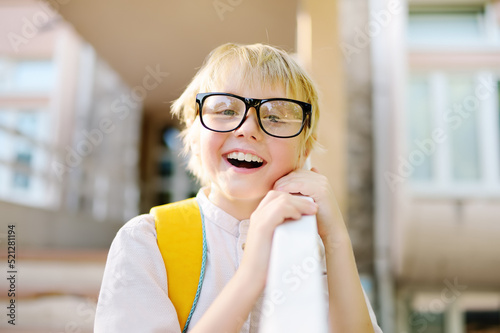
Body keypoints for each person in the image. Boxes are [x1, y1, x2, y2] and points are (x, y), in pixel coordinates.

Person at [94, 43, 382, 333]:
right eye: (226, 109)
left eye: (275, 115)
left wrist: (336, 240)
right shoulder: (147, 242)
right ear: (195, 133)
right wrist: (251, 273)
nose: (247, 127)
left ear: (304, 148)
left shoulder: (315, 254)